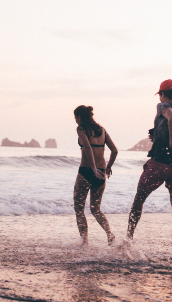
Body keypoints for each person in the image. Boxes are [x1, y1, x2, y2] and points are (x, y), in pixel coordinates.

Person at [126, 79, 172, 253]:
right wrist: (159, 136)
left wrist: (170, 143)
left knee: (138, 201)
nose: (160, 98)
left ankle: (128, 240)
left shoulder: (162, 106)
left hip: (159, 164)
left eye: (160, 95)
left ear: (162, 94)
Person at [73, 105, 118, 245]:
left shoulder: (81, 129)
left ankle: (84, 241)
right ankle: (109, 234)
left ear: (79, 117)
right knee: (95, 209)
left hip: (87, 171)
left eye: (75, 117)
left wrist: (92, 168)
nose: (75, 120)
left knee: (79, 208)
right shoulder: (102, 130)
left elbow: (87, 147)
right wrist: (108, 166)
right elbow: (115, 150)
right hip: (101, 173)